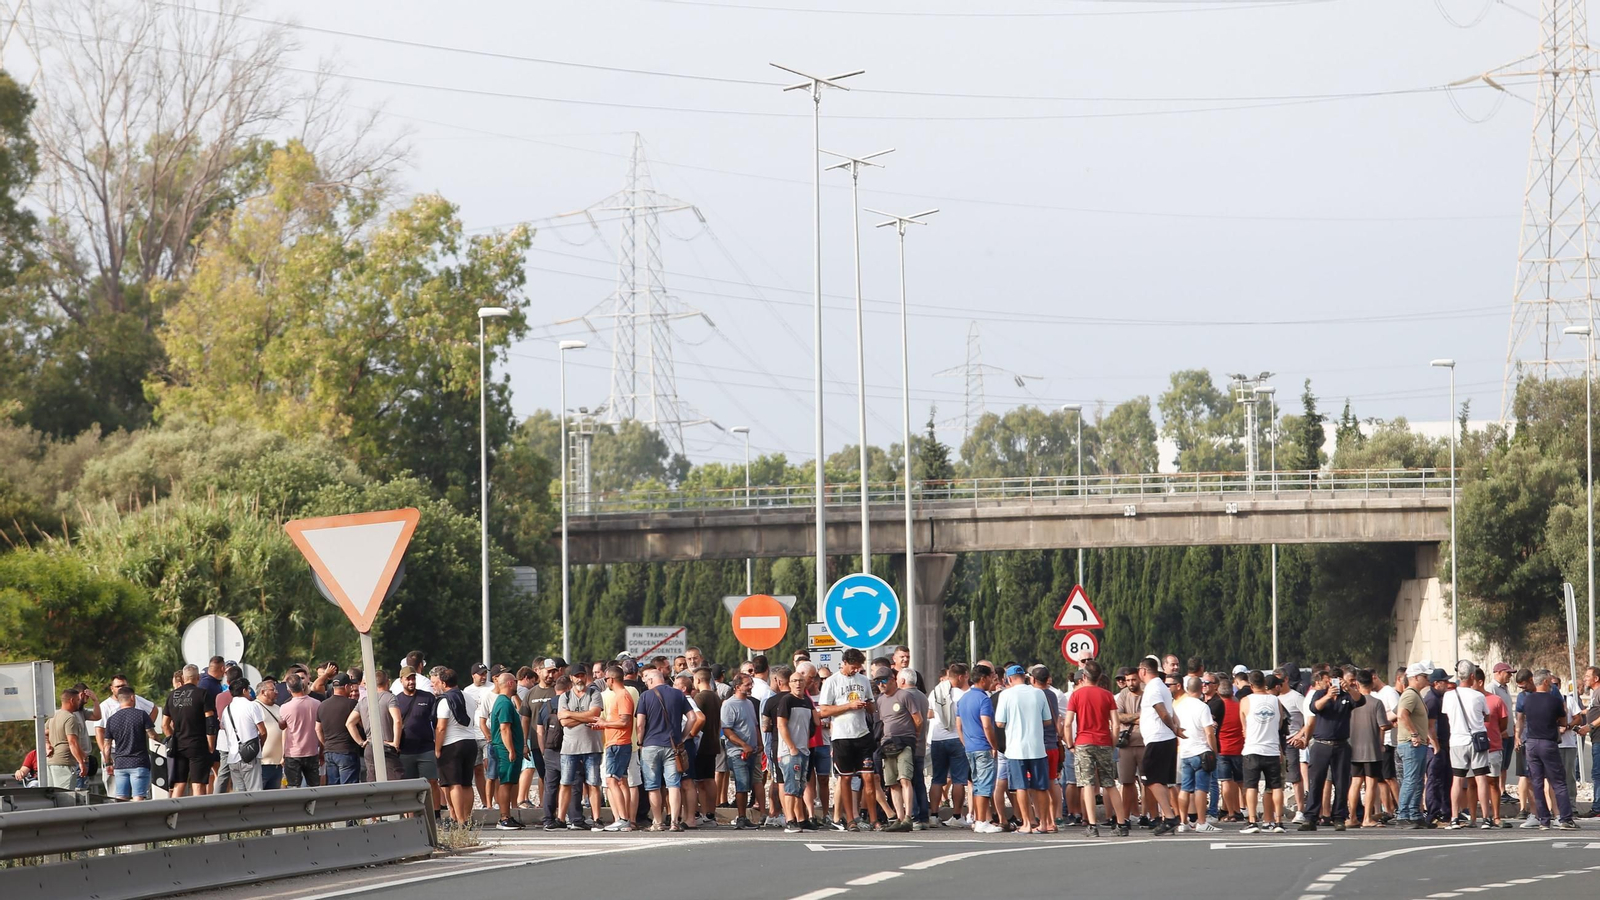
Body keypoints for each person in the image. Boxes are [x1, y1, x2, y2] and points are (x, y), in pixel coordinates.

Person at [1294, 667, 1364, 831]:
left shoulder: (1347, 695)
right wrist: (1328, 695)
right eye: (1330, 680)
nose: (1333, 683)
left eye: (1337, 680)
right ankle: (1311, 817)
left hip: (1341, 744)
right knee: (1316, 781)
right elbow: (1314, 708)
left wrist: (1349, 688)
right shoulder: (1320, 694)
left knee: (1341, 782)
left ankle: (1339, 816)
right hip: (1321, 744)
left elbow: (1360, 701)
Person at [818, 648, 878, 832]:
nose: (855, 671)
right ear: (844, 663)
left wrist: (867, 705)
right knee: (845, 778)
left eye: (858, 668)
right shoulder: (831, 682)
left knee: (868, 777)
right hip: (842, 736)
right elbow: (824, 711)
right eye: (853, 667)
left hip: (862, 733)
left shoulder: (863, 680)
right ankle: (850, 819)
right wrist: (848, 706)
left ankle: (874, 820)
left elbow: (872, 707)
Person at [1063, 660, 1125, 837]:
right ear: (1100, 677)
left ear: (1084, 676)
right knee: (1109, 783)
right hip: (1104, 741)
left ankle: (1092, 825)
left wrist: (1070, 744)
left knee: (1087, 784)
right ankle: (1121, 823)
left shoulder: (1076, 695)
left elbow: (1068, 723)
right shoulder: (1107, 696)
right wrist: (1112, 743)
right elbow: (1116, 724)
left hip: (1083, 742)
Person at [994, 664, 1052, 834]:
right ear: (1025, 677)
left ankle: (1027, 823)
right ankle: (1043, 823)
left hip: (1015, 748)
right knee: (1041, 787)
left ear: (1009, 679)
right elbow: (1047, 720)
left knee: (1021, 786)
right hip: (1037, 747)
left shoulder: (1006, 695)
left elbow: (999, 722)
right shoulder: (1038, 693)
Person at [1516, 668, 1576, 829]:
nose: (1551, 683)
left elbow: (1521, 719)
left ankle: (1543, 820)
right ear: (1544, 682)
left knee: (1536, 782)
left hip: (1531, 743)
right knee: (1558, 781)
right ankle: (1565, 818)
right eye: (1549, 680)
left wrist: (1518, 736)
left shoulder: (1526, 700)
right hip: (1548, 742)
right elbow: (1563, 722)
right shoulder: (1554, 701)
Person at [637, 667, 695, 832]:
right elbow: (693, 717)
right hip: (672, 745)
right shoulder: (678, 694)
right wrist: (683, 737)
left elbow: (640, 724)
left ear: (650, 681)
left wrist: (640, 741)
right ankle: (674, 822)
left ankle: (657, 822)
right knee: (673, 784)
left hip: (650, 745)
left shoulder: (645, 696)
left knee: (653, 786)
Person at [1136, 657, 1183, 835]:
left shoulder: (1153, 688)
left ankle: (1169, 816)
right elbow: (1172, 711)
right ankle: (1168, 817)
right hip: (1164, 737)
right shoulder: (1162, 686)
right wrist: (1176, 728)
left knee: (1150, 778)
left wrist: (1174, 728)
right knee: (1161, 780)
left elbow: (1163, 711)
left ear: (1143, 671)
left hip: (1158, 738)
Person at [871, 664, 919, 831]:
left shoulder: (904, 695)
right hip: (887, 743)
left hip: (905, 741)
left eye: (883, 680)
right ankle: (898, 818)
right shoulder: (880, 700)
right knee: (891, 783)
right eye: (877, 682)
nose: (881, 684)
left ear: (892, 680)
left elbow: (918, 720)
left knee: (905, 778)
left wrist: (914, 737)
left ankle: (908, 817)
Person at [556, 664, 604, 830]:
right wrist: (586, 717)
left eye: (582, 675)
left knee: (593, 783)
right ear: (571, 678)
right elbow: (563, 722)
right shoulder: (566, 697)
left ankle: (597, 819)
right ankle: (560, 819)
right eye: (576, 676)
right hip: (569, 748)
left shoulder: (594, 693)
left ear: (586, 676)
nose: (579, 679)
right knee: (566, 783)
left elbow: (595, 715)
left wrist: (570, 714)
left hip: (592, 746)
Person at [1238, 670, 1285, 834]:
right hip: (1271, 749)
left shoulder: (1245, 701)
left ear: (1250, 685)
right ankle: (1278, 821)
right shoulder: (1275, 700)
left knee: (1251, 786)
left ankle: (1252, 821)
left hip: (1252, 748)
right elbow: (1279, 724)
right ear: (1265, 683)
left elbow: (1243, 726)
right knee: (1275, 786)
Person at [776, 662, 819, 834]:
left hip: (804, 749)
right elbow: (781, 725)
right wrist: (792, 746)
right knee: (791, 787)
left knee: (800, 786)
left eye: (801, 681)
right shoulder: (787, 700)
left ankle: (802, 820)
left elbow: (814, 722)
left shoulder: (806, 701)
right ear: (789, 683)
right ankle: (790, 820)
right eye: (794, 681)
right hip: (790, 751)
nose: (798, 684)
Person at [433, 668, 478, 827]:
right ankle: (468, 817)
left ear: (444, 683)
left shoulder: (445, 700)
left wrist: (438, 748)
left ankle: (460, 820)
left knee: (454, 783)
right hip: (470, 742)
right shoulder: (469, 697)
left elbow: (441, 728)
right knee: (467, 783)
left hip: (452, 744)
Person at [1173, 675, 1218, 833]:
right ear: (1200, 689)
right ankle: (1201, 821)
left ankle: (1183, 821)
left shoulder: (1179, 707)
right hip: (1200, 751)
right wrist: (1214, 750)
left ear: (1186, 688)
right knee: (1201, 788)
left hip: (1185, 751)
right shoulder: (1202, 707)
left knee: (1185, 788)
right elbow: (1209, 733)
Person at [162, 665, 217, 797]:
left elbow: (164, 725)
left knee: (179, 783)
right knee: (198, 784)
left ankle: (173, 813)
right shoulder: (202, 694)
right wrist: (210, 745)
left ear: (183, 678)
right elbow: (210, 722)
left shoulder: (172, 696)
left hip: (179, 745)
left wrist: (172, 739)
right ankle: (199, 815)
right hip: (198, 744)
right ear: (198, 678)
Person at [594, 665, 637, 832]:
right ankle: (621, 818)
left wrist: (605, 723)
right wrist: (602, 726)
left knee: (612, 780)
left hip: (618, 743)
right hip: (615, 742)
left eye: (606, 679)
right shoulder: (620, 695)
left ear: (611, 679)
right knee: (618, 780)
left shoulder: (623, 695)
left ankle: (623, 818)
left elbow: (625, 721)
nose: (605, 682)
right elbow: (618, 721)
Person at [928, 662, 970, 826]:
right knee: (959, 780)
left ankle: (933, 815)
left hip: (937, 738)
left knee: (937, 779)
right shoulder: (962, 694)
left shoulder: (935, 692)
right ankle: (957, 816)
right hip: (957, 738)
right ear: (960, 677)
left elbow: (930, 713)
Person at [1346, 669, 1389, 827]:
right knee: (1371, 783)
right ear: (1372, 682)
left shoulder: (1351, 702)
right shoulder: (1376, 703)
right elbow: (1383, 725)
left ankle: (1351, 817)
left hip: (1353, 747)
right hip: (1372, 748)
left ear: (1357, 683)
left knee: (1355, 782)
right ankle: (1367, 818)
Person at [720, 673, 761, 829]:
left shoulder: (749, 703)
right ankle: (741, 817)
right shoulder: (729, 705)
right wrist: (744, 745)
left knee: (748, 783)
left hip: (751, 751)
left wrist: (759, 742)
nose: (750, 687)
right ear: (737, 687)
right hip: (738, 753)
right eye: (747, 684)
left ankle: (743, 816)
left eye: (751, 684)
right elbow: (728, 730)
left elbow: (754, 725)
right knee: (742, 784)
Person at [483, 672, 523, 830]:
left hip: (505, 748)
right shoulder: (505, 703)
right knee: (505, 783)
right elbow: (504, 728)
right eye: (515, 682)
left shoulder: (504, 701)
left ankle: (508, 816)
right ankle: (504, 817)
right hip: (505, 750)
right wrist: (511, 749)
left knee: (509, 782)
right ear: (510, 683)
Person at [104, 686, 158, 801]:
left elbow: (107, 746)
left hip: (120, 764)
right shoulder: (141, 715)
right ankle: (138, 819)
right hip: (139, 762)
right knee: (138, 797)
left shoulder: (111, 719)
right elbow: (152, 736)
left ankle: (122, 819)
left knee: (121, 798)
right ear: (132, 698)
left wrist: (108, 763)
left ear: (119, 699)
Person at [349, 669, 402, 783]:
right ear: (387, 682)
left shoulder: (363, 701)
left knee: (373, 782)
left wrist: (361, 742)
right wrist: (396, 743)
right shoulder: (390, 698)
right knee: (396, 780)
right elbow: (397, 720)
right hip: (386, 745)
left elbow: (349, 723)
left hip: (370, 746)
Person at [1394, 664, 1432, 828]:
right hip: (1411, 744)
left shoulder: (1416, 695)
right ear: (1416, 677)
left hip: (1417, 743)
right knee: (1411, 780)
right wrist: (1414, 733)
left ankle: (1414, 814)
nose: (1427, 679)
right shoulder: (1410, 695)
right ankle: (1403, 815)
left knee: (1417, 780)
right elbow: (1402, 714)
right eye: (1424, 675)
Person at [217, 677, 266, 793]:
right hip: (249, 757)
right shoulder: (252, 706)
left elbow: (223, 726)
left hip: (233, 758)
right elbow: (263, 731)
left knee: (239, 795)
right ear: (244, 690)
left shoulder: (226, 710)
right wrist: (259, 747)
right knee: (255, 792)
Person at [316, 675, 361, 785]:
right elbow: (361, 724)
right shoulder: (352, 704)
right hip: (346, 751)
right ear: (346, 686)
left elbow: (317, 729)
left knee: (333, 790)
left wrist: (326, 743)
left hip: (329, 752)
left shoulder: (322, 705)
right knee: (349, 790)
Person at [279, 675, 322, 788]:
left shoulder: (285, 707)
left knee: (293, 788)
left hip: (293, 753)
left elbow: (282, 726)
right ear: (303, 686)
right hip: (312, 751)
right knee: (314, 787)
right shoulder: (317, 703)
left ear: (288, 690)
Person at [254, 680, 284, 790]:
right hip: (262, 763)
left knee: (273, 800)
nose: (276, 692)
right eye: (273, 690)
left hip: (277, 764)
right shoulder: (255, 707)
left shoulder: (278, 708)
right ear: (263, 692)